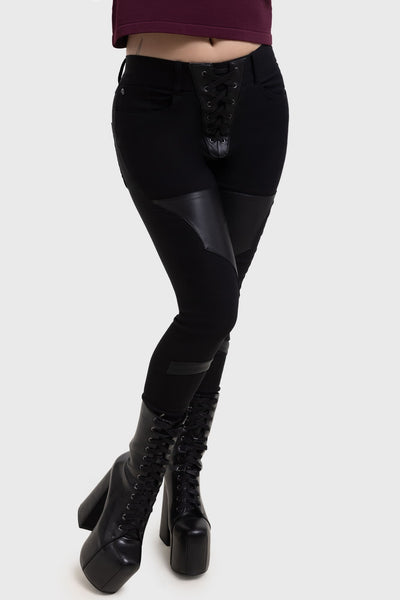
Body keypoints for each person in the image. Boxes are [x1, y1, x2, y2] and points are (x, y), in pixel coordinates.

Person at [77, 2, 289, 592]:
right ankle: (137, 479)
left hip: (258, 94)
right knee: (211, 306)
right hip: (156, 103)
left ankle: (183, 478)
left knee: (220, 309)